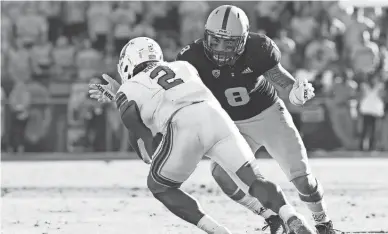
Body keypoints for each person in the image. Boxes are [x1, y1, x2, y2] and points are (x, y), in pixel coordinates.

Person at [89, 37, 317, 234]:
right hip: (215, 116)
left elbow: (143, 142)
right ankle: (292, 216)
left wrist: (120, 99)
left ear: (127, 63)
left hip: (183, 125)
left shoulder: (128, 90)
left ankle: (218, 231)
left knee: (159, 186)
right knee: (254, 179)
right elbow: (164, 92)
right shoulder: (182, 66)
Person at [175, 5, 337, 234]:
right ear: (205, 36)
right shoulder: (191, 57)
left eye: (229, 42)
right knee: (223, 176)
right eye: (215, 41)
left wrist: (296, 93)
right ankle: (273, 217)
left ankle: (323, 222)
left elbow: (283, 80)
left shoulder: (259, 48)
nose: (221, 48)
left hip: (267, 115)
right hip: (231, 125)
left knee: (303, 181)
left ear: (242, 40)